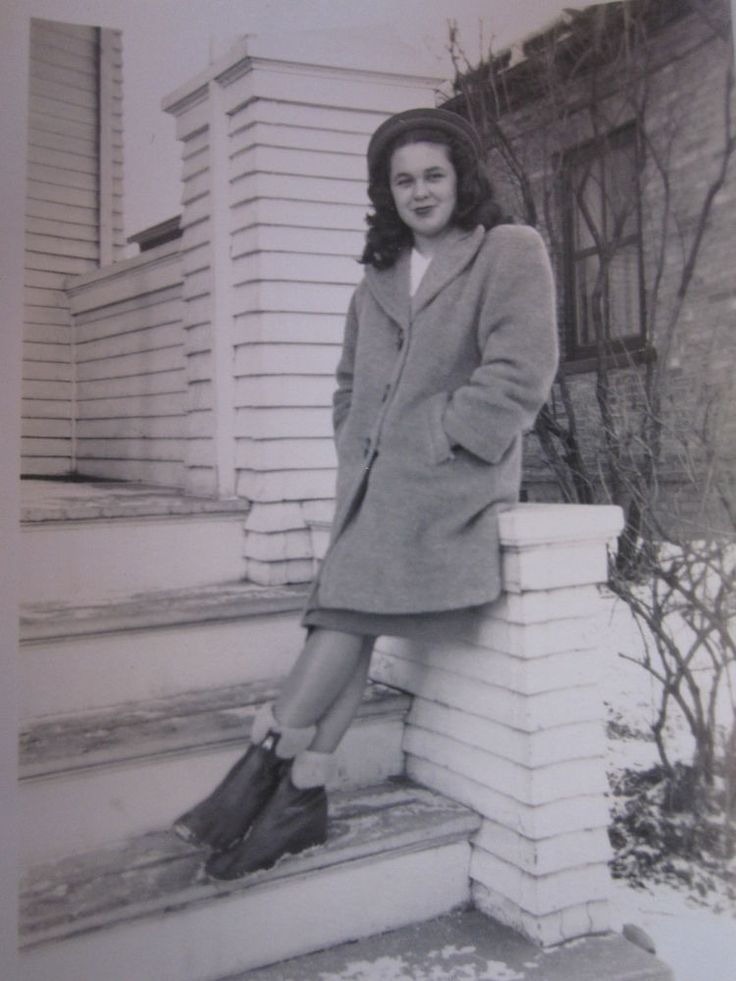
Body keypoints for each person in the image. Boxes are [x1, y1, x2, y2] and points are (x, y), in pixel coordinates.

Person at [173, 107, 559, 880]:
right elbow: (349, 383)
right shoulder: (379, 273)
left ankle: (265, 762)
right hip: (376, 489)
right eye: (403, 180)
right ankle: (298, 797)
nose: (420, 192)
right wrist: (357, 441)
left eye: (434, 175)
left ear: (462, 178)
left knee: (342, 612)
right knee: (348, 618)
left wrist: (438, 435)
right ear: (388, 192)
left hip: (452, 486)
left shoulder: (507, 251)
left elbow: (523, 371)